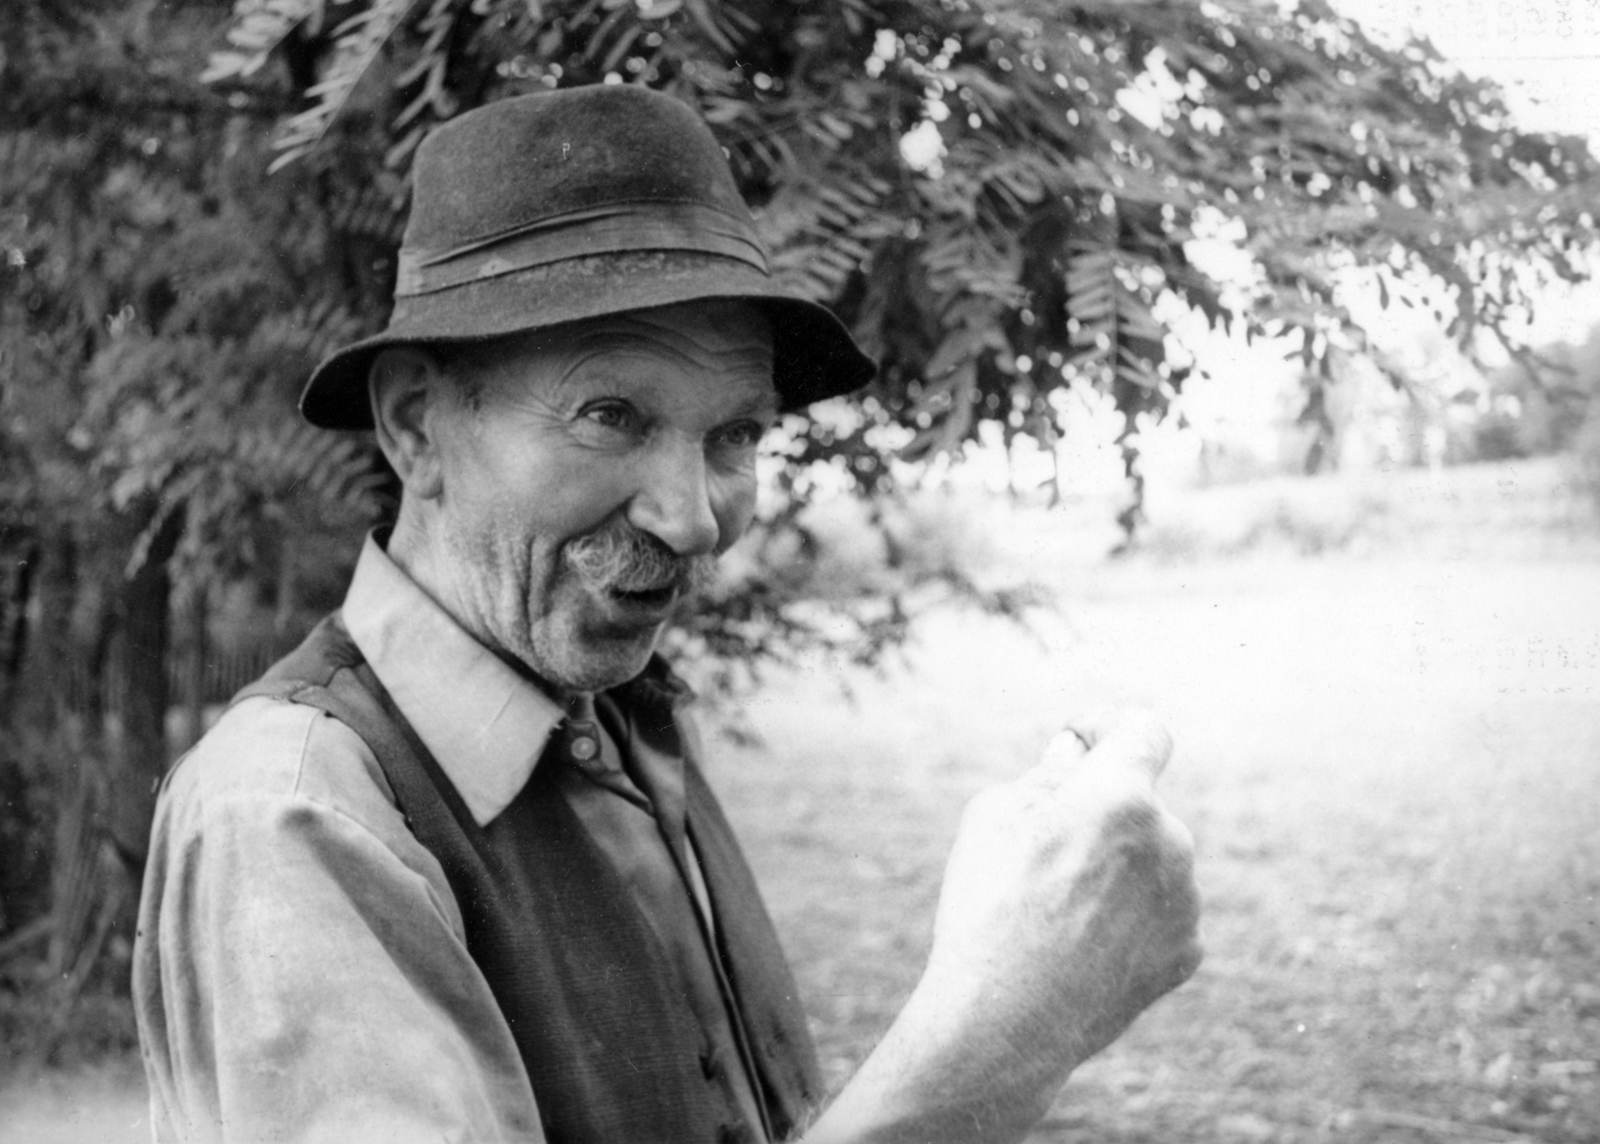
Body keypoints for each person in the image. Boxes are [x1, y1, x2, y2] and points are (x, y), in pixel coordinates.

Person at [132, 84, 1201, 1144]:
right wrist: (1000, 1031)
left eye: (734, 434)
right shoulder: (295, 814)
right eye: (612, 413)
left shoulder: (613, 715)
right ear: (415, 425)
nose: (693, 520)